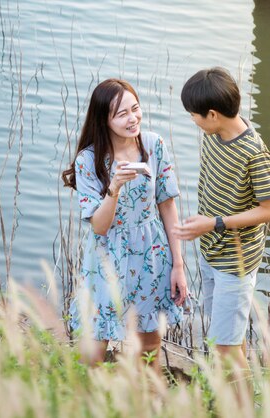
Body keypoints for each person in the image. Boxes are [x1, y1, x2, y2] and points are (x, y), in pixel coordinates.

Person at [62, 78, 187, 370]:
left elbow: (168, 206)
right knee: (93, 345)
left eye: (136, 109)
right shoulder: (88, 161)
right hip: (107, 256)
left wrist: (178, 266)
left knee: (149, 345)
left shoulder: (154, 145)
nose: (133, 119)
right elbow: (99, 227)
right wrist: (114, 186)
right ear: (104, 119)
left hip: (151, 254)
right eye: (122, 114)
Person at [174, 67, 270, 366]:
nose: (192, 120)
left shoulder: (253, 152)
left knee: (225, 350)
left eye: (193, 115)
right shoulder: (214, 135)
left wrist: (215, 223)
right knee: (230, 340)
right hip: (211, 251)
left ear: (212, 114)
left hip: (236, 261)